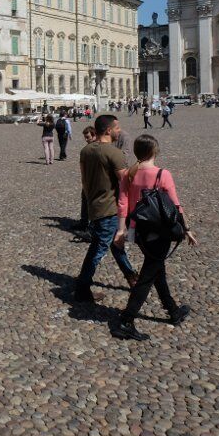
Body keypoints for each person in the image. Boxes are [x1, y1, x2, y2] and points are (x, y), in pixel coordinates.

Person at [111, 134, 197, 340]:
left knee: (156, 268)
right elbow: (175, 205)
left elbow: (122, 204)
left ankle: (173, 311)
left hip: (138, 230)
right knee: (148, 276)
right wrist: (186, 229)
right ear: (154, 151)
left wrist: (121, 231)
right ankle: (126, 320)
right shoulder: (162, 174)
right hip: (160, 231)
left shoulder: (127, 174)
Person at [73, 114, 137, 302]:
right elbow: (126, 183)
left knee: (115, 245)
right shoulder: (113, 153)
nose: (120, 131)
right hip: (109, 208)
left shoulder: (86, 151)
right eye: (117, 128)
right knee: (98, 249)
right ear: (108, 130)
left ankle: (132, 277)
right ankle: (82, 288)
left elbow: (84, 181)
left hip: (95, 205)